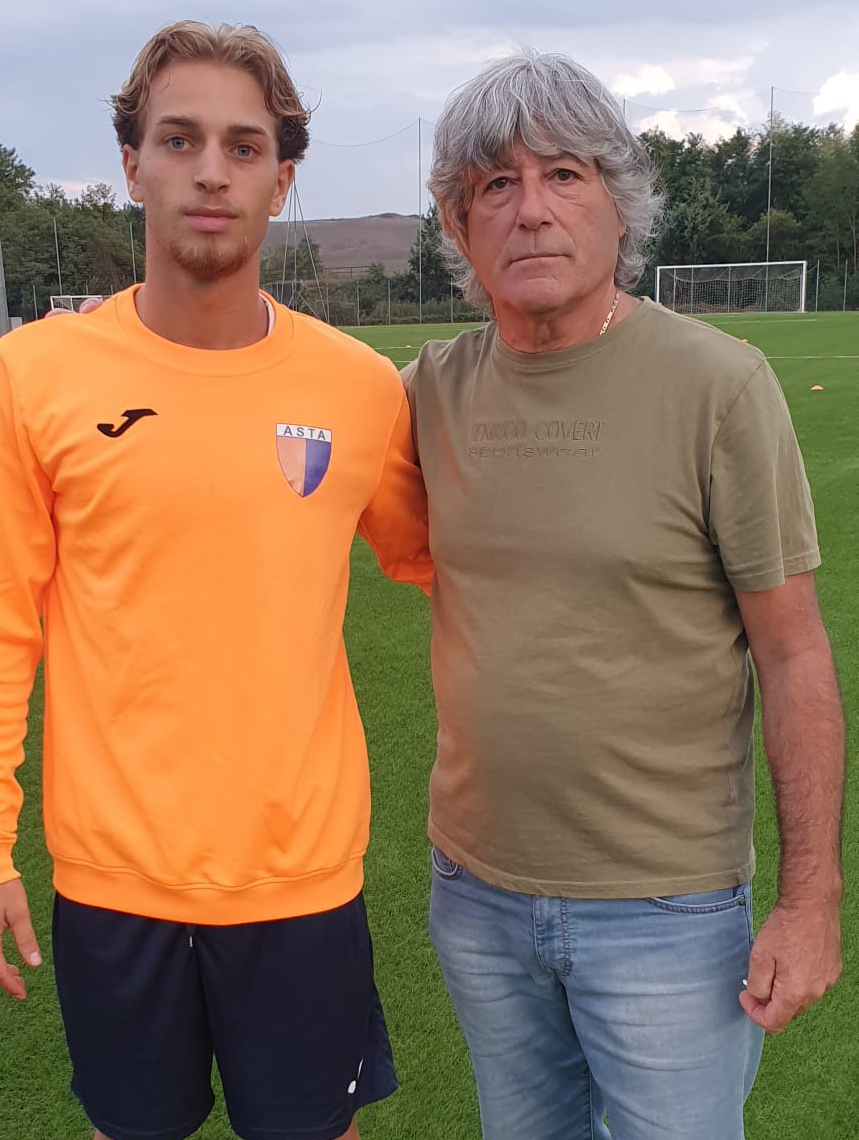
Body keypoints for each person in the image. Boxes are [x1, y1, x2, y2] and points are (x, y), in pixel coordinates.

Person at [0, 21, 432, 1140]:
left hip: (299, 876)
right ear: (133, 164)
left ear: (282, 179)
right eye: (180, 139)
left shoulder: (357, 388)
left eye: (244, 146)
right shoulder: (35, 375)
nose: (212, 170)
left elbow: (436, 558)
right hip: (113, 881)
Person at [405, 51, 844, 1140]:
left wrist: (810, 901)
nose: (532, 210)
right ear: (459, 224)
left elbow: (794, 652)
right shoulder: (425, 395)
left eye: (564, 174)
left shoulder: (719, 387)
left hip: (667, 911)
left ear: (619, 203)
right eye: (495, 185)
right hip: (477, 895)